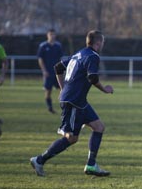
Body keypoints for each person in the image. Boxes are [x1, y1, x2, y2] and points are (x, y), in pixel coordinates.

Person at [29, 30, 113, 177]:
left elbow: (58, 67)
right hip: (74, 102)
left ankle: (91, 165)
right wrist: (105, 89)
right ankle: (39, 160)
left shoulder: (79, 54)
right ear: (98, 43)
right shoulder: (93, 56)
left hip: (78, 101)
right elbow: (93, 78)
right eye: (103, 42)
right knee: (71, 138)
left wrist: (63, 89)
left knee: (99, 127)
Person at [37, 29, 65, 114]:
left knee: (63, 90)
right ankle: (50, 108)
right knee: (48, 91)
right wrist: (44, 71)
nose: (52, 36)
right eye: (50, 34)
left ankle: (64, 108)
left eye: (53, 34)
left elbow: (61, 59)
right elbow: (40, 59)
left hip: (58, 73)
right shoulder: (43, 46)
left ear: (55, 35)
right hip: (48, 72)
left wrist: (62, 70)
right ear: (47, 35)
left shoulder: (58, 46)